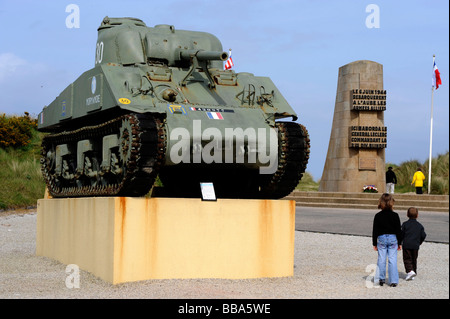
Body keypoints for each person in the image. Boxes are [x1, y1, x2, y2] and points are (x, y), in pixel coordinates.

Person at [372, 193, 402, 287]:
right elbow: (398, 230)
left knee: (381, 259)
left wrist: (374, 243)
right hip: (393, 238)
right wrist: (400, 242)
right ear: (392, 202)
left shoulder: (378, 216)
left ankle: (381, 278)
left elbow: (375, 230)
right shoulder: (395, 215)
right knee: (392, 259)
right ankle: (393, 281)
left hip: (381, 238)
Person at [401, 207, 427, 281]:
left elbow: (401, 234)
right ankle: (413, 272)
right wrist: (419, 242)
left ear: (407, 214)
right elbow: (423, 235)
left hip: (407, 244)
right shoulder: (419, 225)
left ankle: (410, 271)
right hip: (415, 245)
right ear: (417, 215)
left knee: (407, 259)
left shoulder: (405, 224)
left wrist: (400, 242)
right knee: (414, 259)